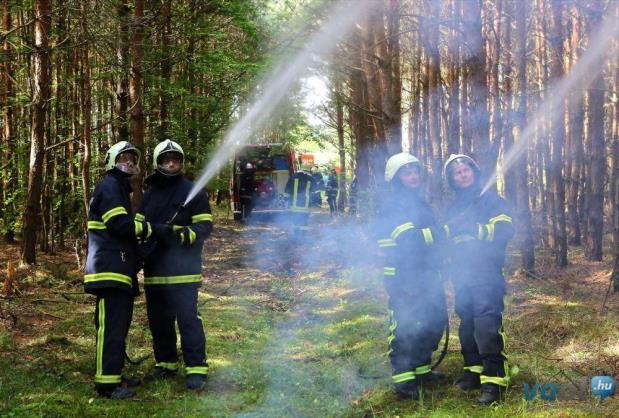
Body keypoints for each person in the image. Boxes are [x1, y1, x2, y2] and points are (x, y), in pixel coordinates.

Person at [137, 139, 213, 391]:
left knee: (188, 319)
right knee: (159, 320)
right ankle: (166, 363)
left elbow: (204, 227)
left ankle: (196, 368)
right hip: (155, 270)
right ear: (158, 163)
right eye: (166, 159)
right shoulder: (149, 195)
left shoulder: (193, 191)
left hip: (185, 270)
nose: (171, 163)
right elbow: (138, 228)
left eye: (176, 159)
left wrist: (179, 235)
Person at [442, 154, 515, 405]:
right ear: (452, 180)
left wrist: (475, 229)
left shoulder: (491, 200)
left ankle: (494, 380)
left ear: (474, 172)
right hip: (462, 275)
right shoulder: (452, 207)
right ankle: (472, 371)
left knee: (486, 324)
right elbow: (446, 238)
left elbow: (506, 228)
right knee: (467, 324)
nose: (462, 175)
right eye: (457, 173)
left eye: (466, 170)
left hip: (486, 273)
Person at [376, 152, 447, 400]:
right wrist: (439, 233)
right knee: (406, 325)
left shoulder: (420, 203)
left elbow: (429, 241)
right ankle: (404, 380)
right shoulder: (392, 205)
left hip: (427, 274)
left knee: (433, 321)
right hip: (403, 276)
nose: (414, 176)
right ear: (395, 177)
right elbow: (409, 241)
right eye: (407, 172)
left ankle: (421, 369)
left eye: (416, 171)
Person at [85, 141, 151, 399]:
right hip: (108, 269)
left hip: (117, 268)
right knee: (111, 327)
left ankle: (115, 376)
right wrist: (148, 229)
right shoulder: (111, 186)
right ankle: (107, 385)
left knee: (118, 326)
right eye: (123, 157)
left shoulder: (119, 188)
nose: (129, 161)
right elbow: (119, 225)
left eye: (132, 157)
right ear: (112, 160)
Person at [284, 163, 315, 242]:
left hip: (294, 205)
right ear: (308, 170)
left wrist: (286, 200)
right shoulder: (311, 179)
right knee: (304, 223)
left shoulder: (293, 177)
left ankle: (296, 237)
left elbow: (287, 190)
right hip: (306, 205)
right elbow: (314, 192)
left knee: (295, 222)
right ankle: (303, 238)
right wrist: (314, 202)